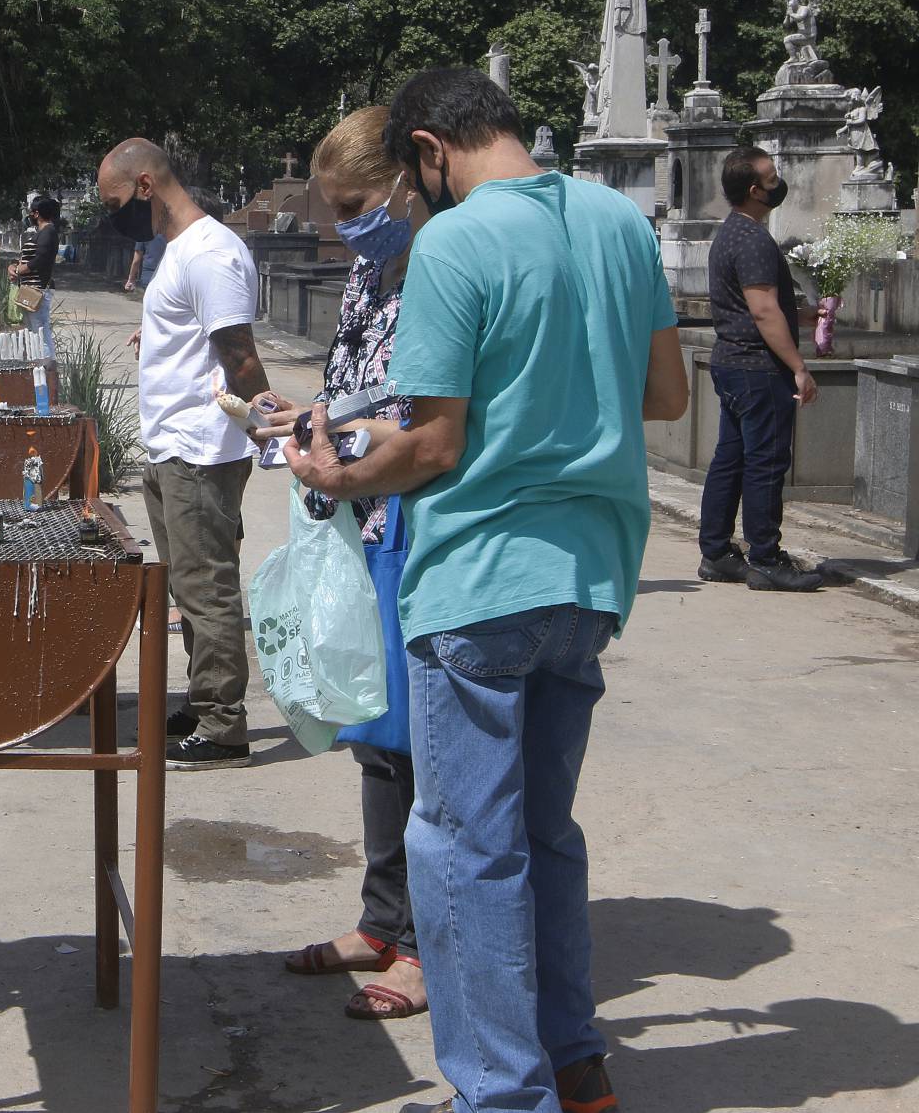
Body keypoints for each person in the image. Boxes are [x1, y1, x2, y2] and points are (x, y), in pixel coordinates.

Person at [277, 69, 687, 1113]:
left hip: (479, 580)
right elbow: (667, 393)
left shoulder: (454, 243)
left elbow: (438, 442)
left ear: (428, 147)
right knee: (544, 835)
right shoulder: (618, 222)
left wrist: (339, 473)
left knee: (464, 848)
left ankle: (503, 1096)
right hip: (591, 570)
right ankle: (573, 1062)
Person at [277, 107, 429, 1023]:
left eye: (358, 203)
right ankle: (383, 917)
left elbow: (430, 415)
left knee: (418, 746)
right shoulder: (374, 272)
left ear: (408, 181)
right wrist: (309, 415)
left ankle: (419, 944)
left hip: (414, 517)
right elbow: (360, 385)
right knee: (372, 733)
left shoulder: (445, 266)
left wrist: (351, 434)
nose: (344, 225)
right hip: (361, 516)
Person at [100, 138, 287, 771]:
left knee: (206, 587)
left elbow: (238, 352)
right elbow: (195, 332)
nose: (113, 213)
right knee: (187, 583)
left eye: (116, 200)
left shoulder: (211, 252)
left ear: (146, 185)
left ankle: (224, 725)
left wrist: (272, 419)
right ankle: (204, 700)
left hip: (202, 449)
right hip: (172, 442)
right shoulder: (177, 250)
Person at [696, 146, 824, 592]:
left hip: (732, 363)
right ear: (754, 191)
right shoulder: (753, 239)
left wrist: (800, 314)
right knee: (766, 463)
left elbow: (759, 306)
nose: (778, 183)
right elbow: (764, 311)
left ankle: (716, 552)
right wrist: (799, 367)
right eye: (771, 179)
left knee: (730, 459)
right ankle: (766, 558)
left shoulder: (731, 232)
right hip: (758, 368)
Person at [9, 195, 60, 358]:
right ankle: (40, 366)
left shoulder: (48, 232)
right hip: (30, 288)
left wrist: (21, 269)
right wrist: (13, 266)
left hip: (38, 289)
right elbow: (28, 257)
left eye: (31, 213)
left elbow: (41, 259)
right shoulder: (41, 232)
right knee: (33, 331)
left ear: (36, 214)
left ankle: (47, 368)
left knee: (40, 332)